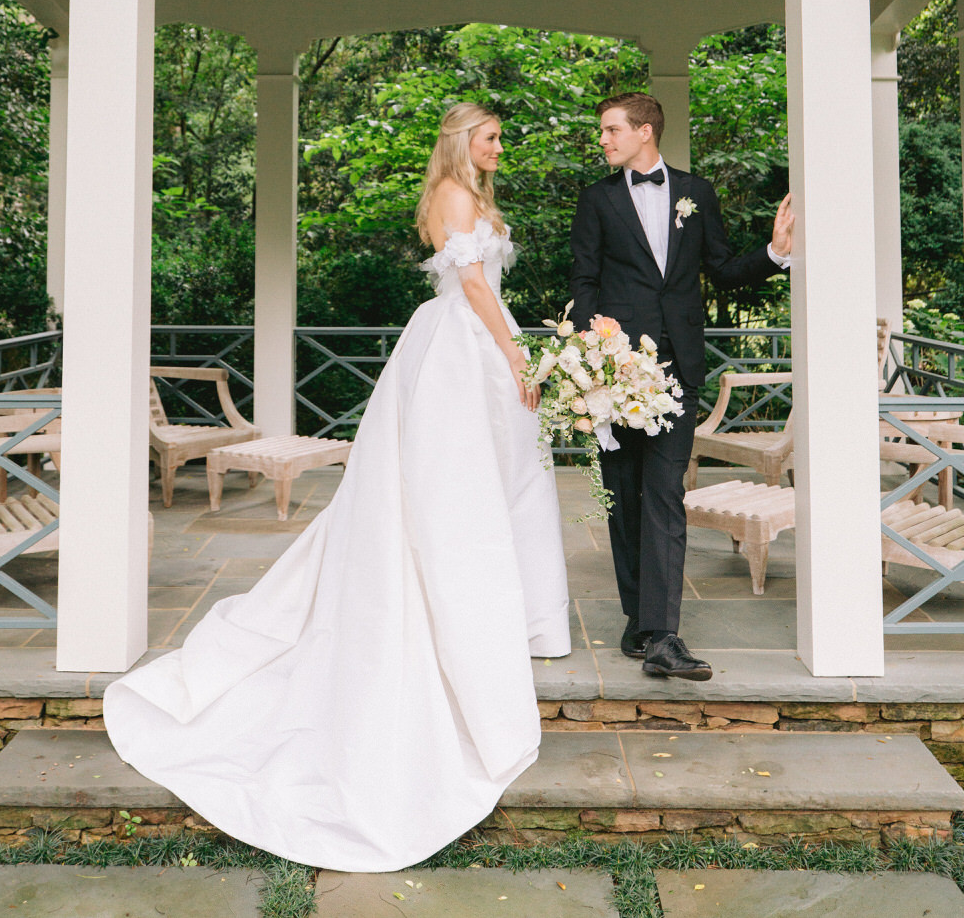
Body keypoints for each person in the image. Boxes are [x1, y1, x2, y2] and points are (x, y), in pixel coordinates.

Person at [104, 102, 570, 871]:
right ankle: (447, 592)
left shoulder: (475, 196)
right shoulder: (455, 197)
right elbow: (476, 286)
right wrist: (517, 355)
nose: (498, 148)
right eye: (490, 137)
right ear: (462, 141)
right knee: (451, 483)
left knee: (503, 477)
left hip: (477, 338)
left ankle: (504, 605)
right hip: (465, 342)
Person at [569, 91, 793, 683]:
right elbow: (584, 279)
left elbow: (720, 267)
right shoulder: (596, 200)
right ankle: (636, 615)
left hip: (677, 369)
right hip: (617, 370)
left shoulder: (698, 192)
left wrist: (775, 253)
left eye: (612, 129)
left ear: (645, 131)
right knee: (624, 493)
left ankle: (664, 633)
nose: (604, 139)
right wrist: (598, 355)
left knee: (665, 493)